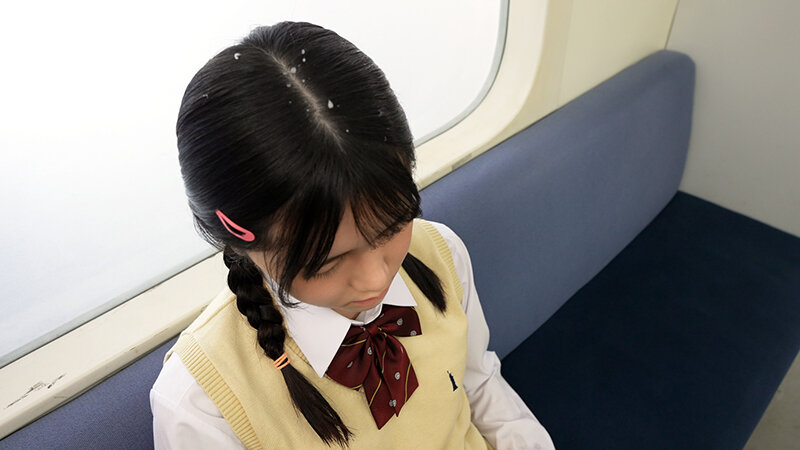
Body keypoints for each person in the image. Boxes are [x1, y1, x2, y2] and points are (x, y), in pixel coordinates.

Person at [150, 21, 554, 449]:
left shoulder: (442, 253)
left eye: (393, 225)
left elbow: (479, 382)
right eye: (326, 262)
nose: (377, 279)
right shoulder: (200, 405)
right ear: (239, 237)